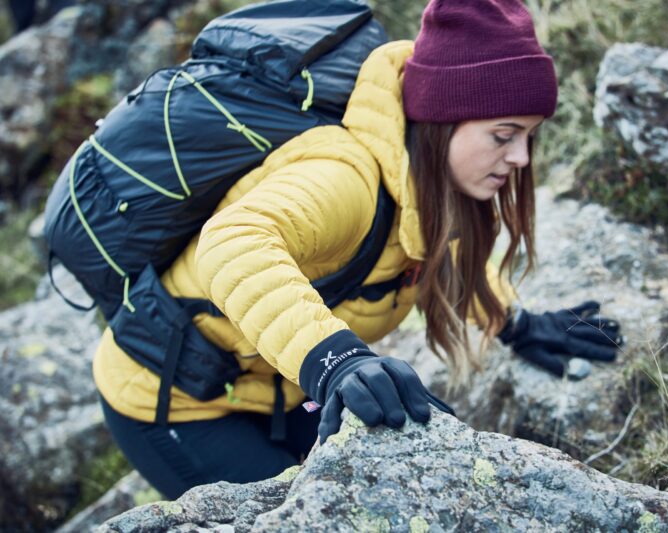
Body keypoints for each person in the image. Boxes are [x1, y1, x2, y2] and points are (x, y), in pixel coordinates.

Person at [93, 0, 622, 500]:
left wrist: (514, 322)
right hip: (174, 400)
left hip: (273, 385)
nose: (522, 158)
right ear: (441, 124)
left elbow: (437, 253)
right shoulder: (346, 179)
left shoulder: (422, 185)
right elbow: (233, 243)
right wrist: (336, 361)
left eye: (530, 136)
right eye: (504, 135)